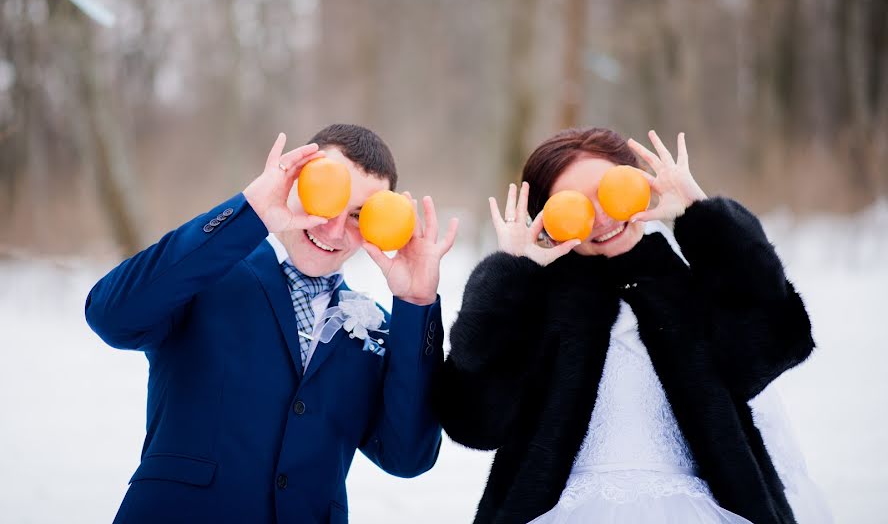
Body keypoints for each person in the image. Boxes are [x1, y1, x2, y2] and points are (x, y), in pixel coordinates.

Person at [434, 128, 830, 524]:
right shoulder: (533, 305)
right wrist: (508, 280)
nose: (601, 217)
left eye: (611, 192)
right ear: (548, 221)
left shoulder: (688, 286)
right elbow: (476, 424)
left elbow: (775, 345)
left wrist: (702, 217)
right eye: (575, 206)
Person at [85, 124, 458, 524]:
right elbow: (111, 315)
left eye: (358, 216)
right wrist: (249, 213)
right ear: (296, 185)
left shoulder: (376, 329)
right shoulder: (207, 271)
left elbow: (408, 457)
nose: (332, 229)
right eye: (326, 200)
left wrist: (416, 304)